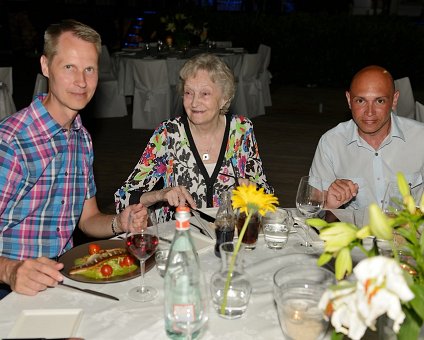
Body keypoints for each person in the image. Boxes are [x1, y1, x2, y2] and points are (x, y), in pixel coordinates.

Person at [0, 19, 147, 297]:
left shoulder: (81, 137)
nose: (81, 81)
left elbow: (87, 218)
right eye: (69, 67)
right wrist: (10, 270)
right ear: (45, 66)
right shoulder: (12, 143)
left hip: (63, 277)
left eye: (89, 69)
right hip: (10, 288)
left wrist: (120, 222)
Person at [114, 53, 273, 221]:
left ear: (224, 98)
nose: (194, 102)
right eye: (189, 93)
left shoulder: (241, 130)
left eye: (205, 94)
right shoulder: (168, 134)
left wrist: (254, 189)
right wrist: (161, 194)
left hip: (230, 234)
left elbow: (266, 194)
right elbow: (123, 198)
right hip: (180, 235)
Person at [309, 65, 424, 210]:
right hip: (355, 232)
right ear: (349, 100)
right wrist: (329, 205)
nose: (370, 112)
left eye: (379, 101)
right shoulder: (331, 143)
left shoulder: (420, 138)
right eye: (361, 101)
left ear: (394, 100)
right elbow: (312, 209)